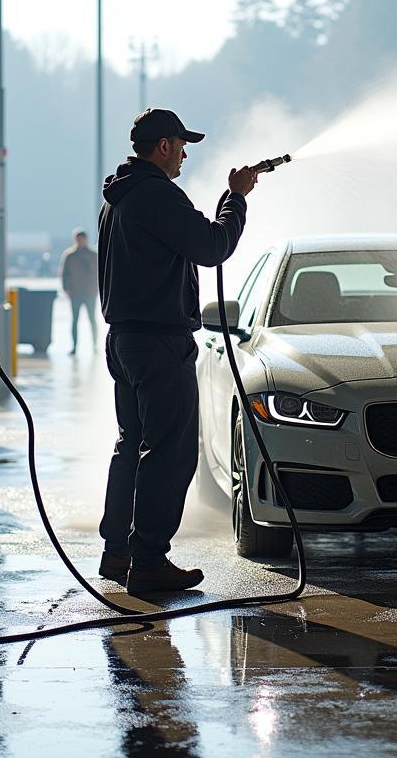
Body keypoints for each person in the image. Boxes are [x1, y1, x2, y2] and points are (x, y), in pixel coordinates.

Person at [97, 108, 258, 594]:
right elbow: (212, 245)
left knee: (133, 445)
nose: (185, 154)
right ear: (162, 146)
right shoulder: (156, 194)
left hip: (125, 340)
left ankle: (118, 553)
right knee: (169, 452)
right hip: (159, 344)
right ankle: (148, 561)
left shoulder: (119, 197)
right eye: (181, 145)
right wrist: (236, 200)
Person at [59, 229, 99, 355]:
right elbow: (64, 274)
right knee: (74, 320)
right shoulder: (70, 255)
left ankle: (95, 345)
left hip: (90, 292)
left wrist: (98, 289)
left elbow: (101, 273)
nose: (80, 241)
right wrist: (66, 289)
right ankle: (74, 346)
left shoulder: (93, 255)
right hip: (75, 292)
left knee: (92, 319)